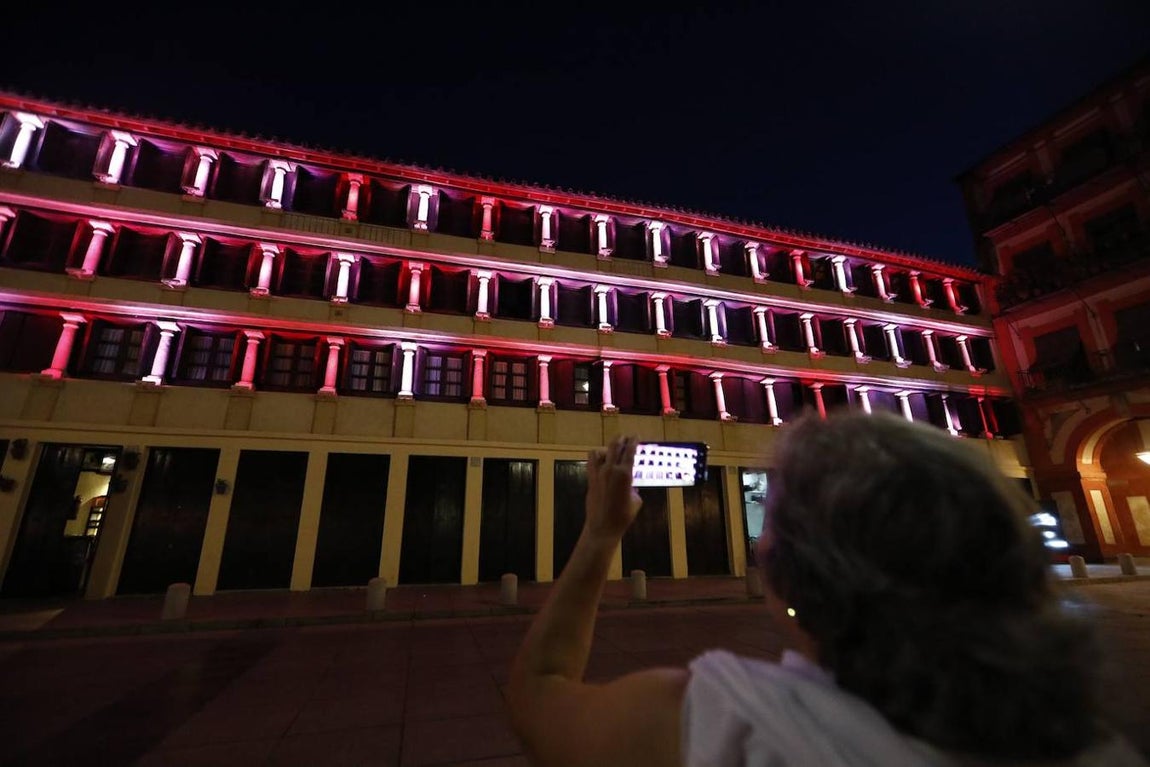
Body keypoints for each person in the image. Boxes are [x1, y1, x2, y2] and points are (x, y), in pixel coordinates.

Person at [507, 413, 1146, 766]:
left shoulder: (723, 724)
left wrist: (600, 535)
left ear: (792, 580)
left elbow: (538, 693)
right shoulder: (1100, 747)